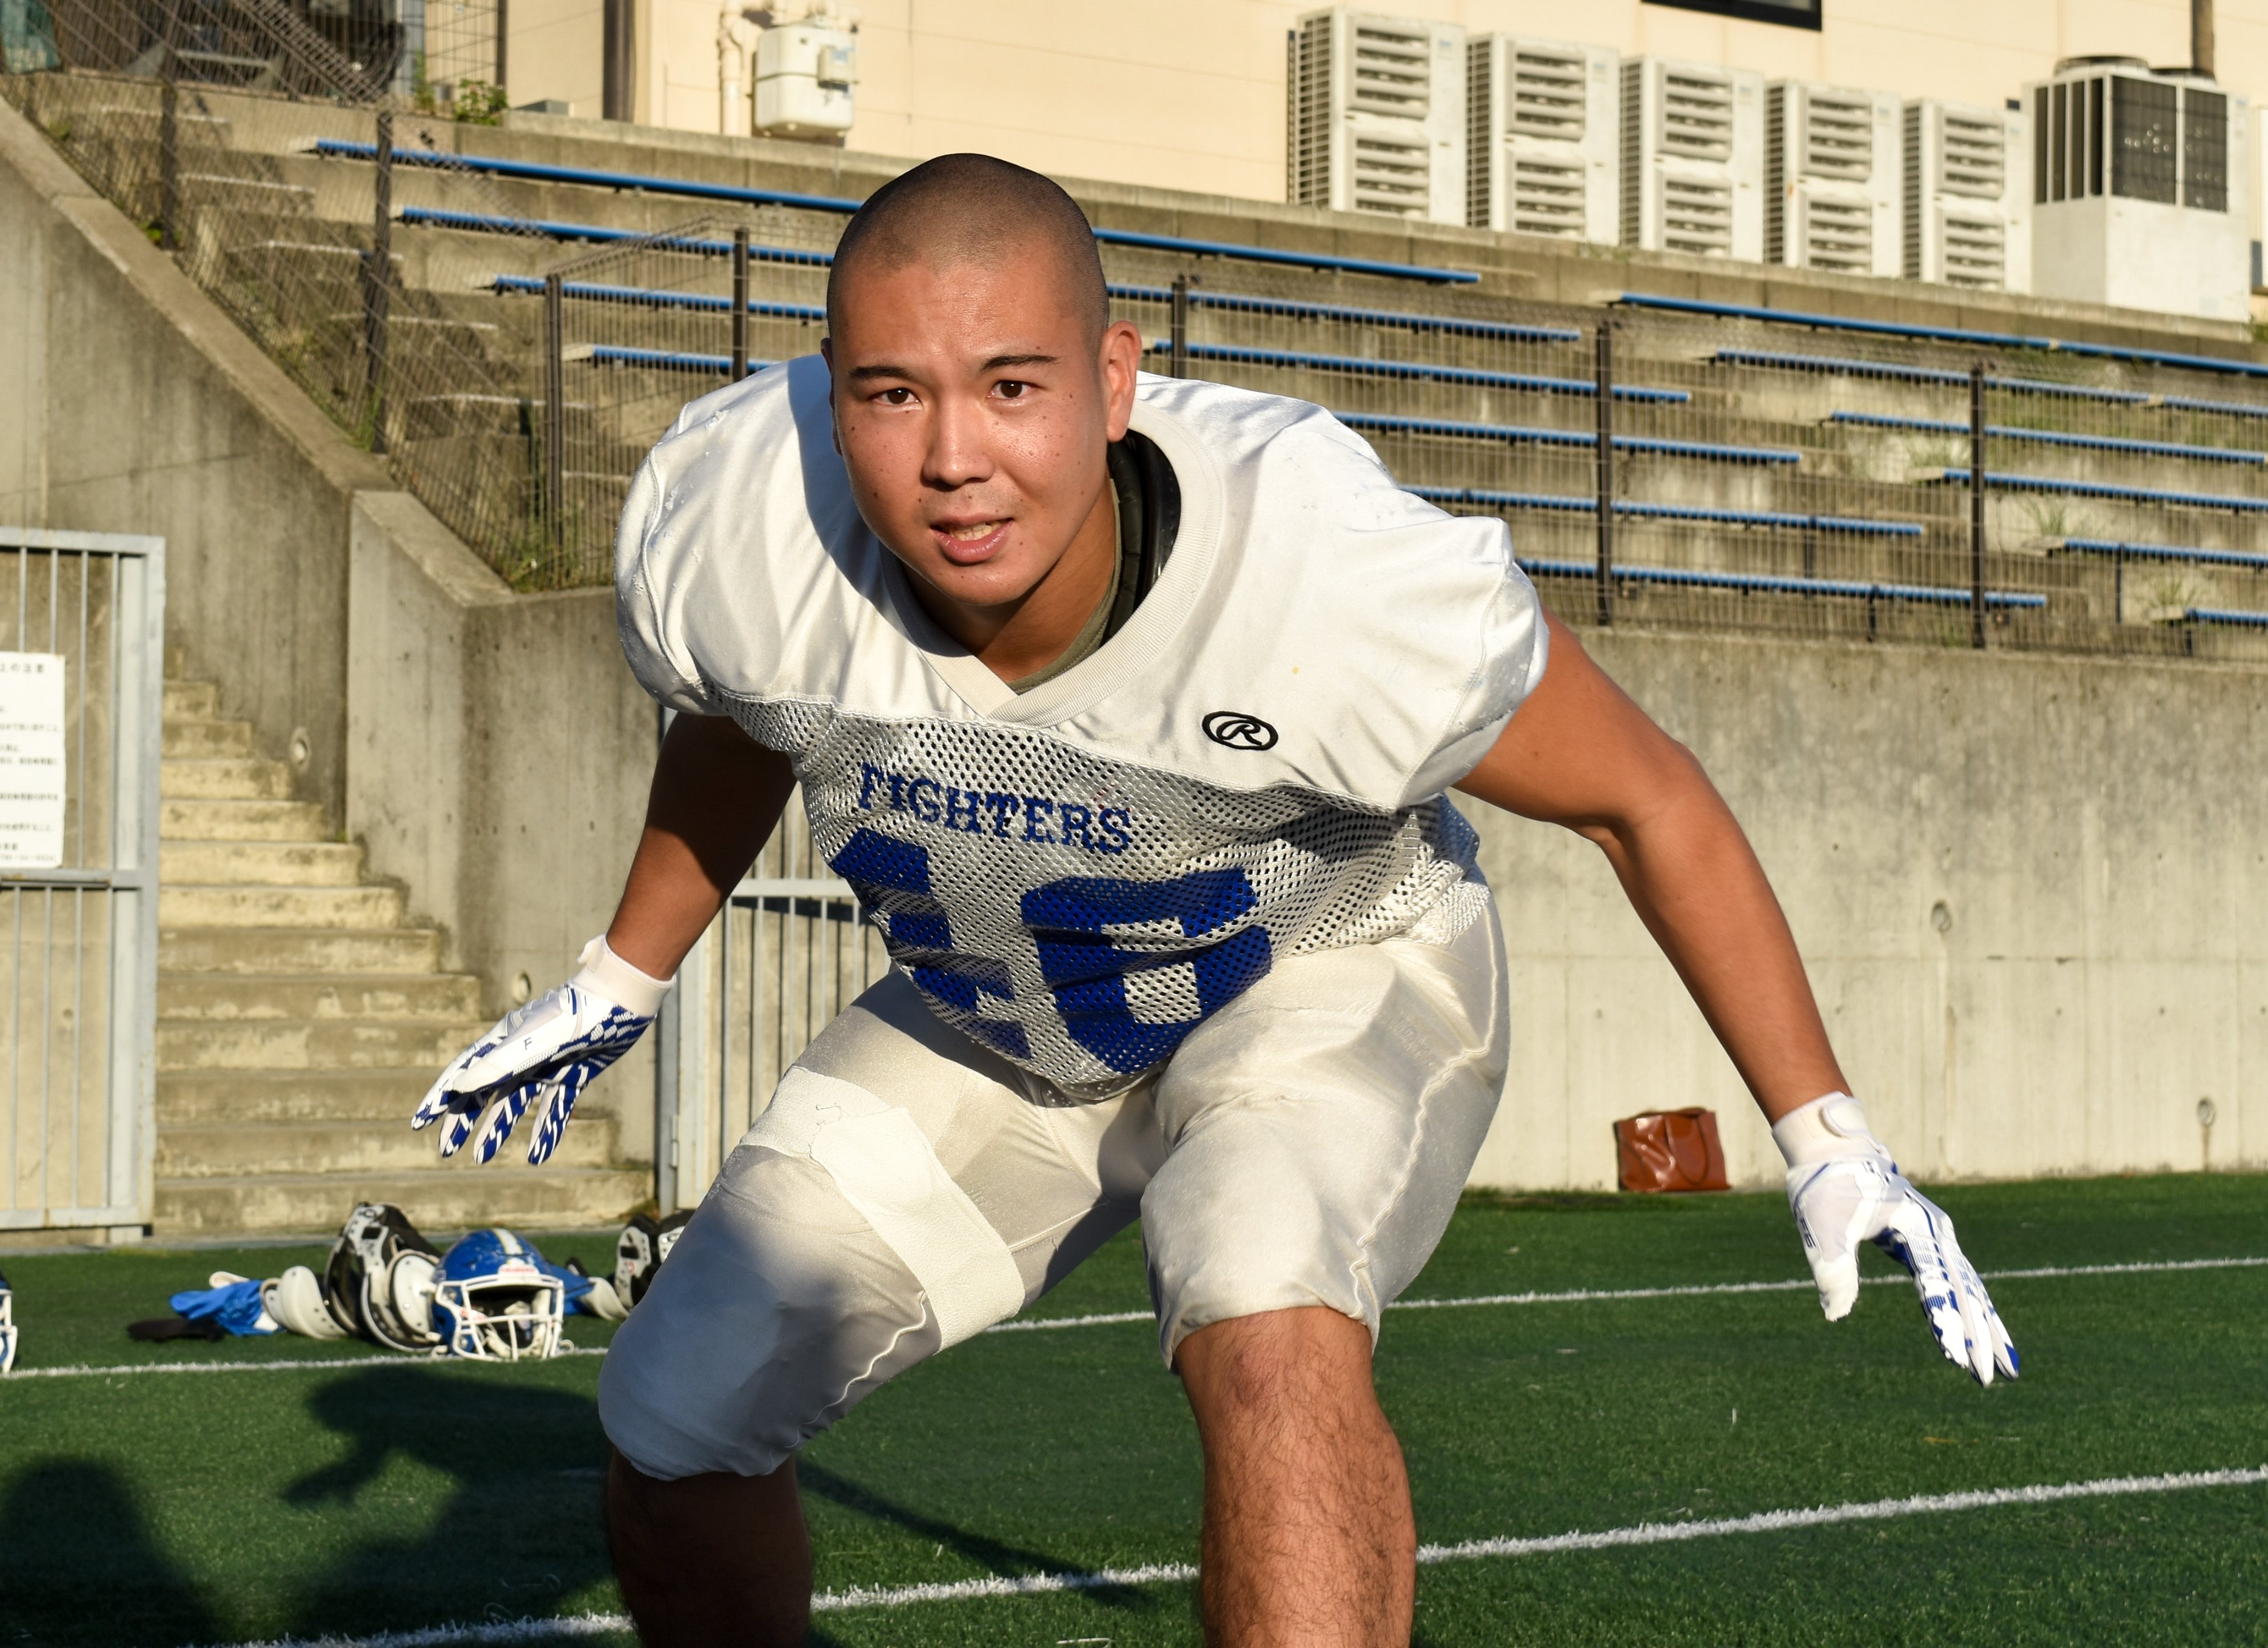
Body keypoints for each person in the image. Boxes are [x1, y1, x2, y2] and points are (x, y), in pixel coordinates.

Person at [412, 153, 2017, 1647]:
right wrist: (621, 976)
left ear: (1115, 382)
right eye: (895, 395)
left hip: (1316, 971)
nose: (956, 457)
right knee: (678, 1414)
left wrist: (1826, 1134)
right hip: (1005, 1011)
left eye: (1014, 387)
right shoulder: (736, 519)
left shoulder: (1322, 570)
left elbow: (1642, 796)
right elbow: (745, 713)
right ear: (836, 398)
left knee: (1262, 1299)